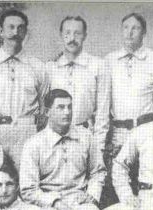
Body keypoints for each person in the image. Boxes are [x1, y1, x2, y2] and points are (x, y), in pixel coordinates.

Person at [20, 89, 105, 210]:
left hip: (79, 199)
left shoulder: (86, 137)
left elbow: (98, 172)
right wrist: (55, 202)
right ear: (47, 111)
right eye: (60, 107)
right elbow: (28, 190)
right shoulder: (34, 144)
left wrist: (92, 195)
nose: (67, 112)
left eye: (69, 107)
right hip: (48, 205)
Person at [0, 9, 48, 165]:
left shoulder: (38, 67)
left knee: (26, 177)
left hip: (26, 134)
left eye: (20, 28)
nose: (15, 32)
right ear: (1, 31)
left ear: (25, 32)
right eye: (10, 27)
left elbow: (45, 109)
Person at [105, 13, 153, 154]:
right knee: (118, 167)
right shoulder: (109, 61)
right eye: (126, 28)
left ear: (144, 32)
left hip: (148, 132)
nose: (129, 33)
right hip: (118, 135)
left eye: (135, 28)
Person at [46, 16, 110, 152]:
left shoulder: (98, 66)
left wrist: (98, 148)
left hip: (85, 137)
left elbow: (103, 112)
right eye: (67, 33)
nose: (72, 38)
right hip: (56, 139)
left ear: (85, 36)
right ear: (61, 35)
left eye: (77, 33)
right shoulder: (50, 67)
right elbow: (45, 109)